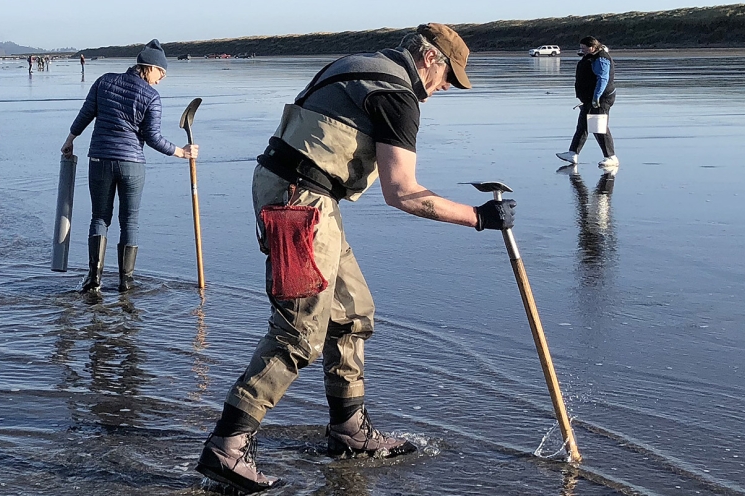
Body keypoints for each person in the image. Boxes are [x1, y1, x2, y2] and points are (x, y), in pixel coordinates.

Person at [193, 24, 517, 493]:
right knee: (299, 332)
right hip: (298, 203)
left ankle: (348, 430)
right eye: (448, 76)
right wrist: (478, 217)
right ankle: (227, 446)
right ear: (429, 59)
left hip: (303, 194)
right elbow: (403, 192)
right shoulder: (397, 95)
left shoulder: (361, 65)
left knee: (351, 311)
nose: (445, 88)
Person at [60, 39, 199, 294]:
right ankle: (126, 281)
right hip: (132, 164)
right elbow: (153, 138)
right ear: (149, 67)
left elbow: (85, 114)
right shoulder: (151, 97)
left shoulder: (104, 82)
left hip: (100, 159)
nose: (161, 79)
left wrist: (70, 140)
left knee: (100, 218)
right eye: (161, 72)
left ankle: (94, 278)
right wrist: (181, 152)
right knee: (130, 222)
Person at [556, 36, 618, 174]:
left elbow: (603, 78)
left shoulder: (601, 58)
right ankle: (573, 153)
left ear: (593, 47)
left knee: (599, 128)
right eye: (581, 48)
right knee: (583, 125)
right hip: (589, 98)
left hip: (602, 98)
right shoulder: (591, 56)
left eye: (584, 48)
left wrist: (596, 97)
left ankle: (611, 157)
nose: (582, 50)